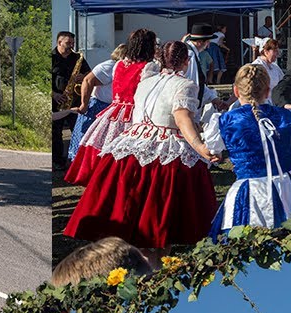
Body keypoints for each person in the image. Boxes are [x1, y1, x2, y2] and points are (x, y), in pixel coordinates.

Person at [63, 41, 219, 261]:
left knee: (130, 208)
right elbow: (182, 119)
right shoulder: (185, 84)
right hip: (164, 148)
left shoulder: (146, 81)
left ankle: (137, 256)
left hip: (129, 144)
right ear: (186, 61)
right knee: (160, 214)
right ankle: (154, 260)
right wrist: (200, 146)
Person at [205, 64, 291, 240]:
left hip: (249, 192)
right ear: (267, 91)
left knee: (247, 246)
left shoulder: (224, 121)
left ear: (236, 91)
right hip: (289, 187)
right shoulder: (288, 116)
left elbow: (213, 152)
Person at [64, 28, 157, 185]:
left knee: (105, 143)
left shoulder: (119, 64)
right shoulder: (149, 67)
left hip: (114, 111)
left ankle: (104, 178)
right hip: (135, 113)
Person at [68, 45, 123, 163]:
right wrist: (84, 104)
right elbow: (88, 80)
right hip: (97, 106)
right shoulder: (110, 66)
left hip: (108, 107)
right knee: (87, 138)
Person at [52, 31, 84, 170]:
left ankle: (77, 161)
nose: (71, 46)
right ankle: (58, 162)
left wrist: (82, 76)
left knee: (78, 130)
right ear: (59, 43)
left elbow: (89, 74)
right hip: (56, 101)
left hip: (74, 101)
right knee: (55, 133)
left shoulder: (77, 57)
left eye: (72, 43)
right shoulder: (51, 57)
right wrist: (54, 94)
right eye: (68, 43)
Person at [183, 24, 222, 114]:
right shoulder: (190, 55)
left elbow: (199, 84)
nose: (208, 45)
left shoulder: (193, 53)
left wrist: (213, 98)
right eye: (208, 41)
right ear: (200, 42)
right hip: (188, 109)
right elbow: (191, 84)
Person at [250, 37, 286, 103]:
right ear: (266, 51)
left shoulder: (275, 67)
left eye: (277, 50)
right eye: (274, 51)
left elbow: (284, 82)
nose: (277, 53)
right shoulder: (257, 66)